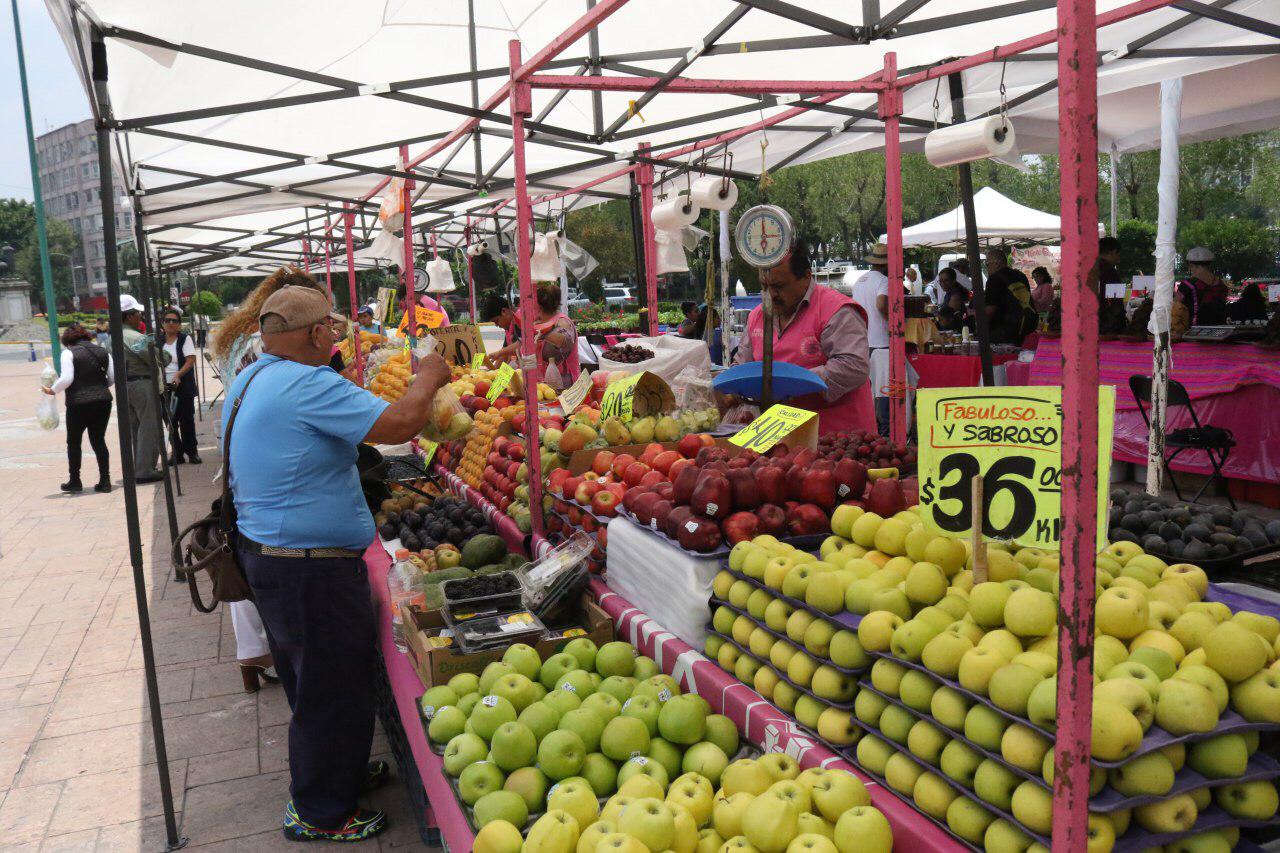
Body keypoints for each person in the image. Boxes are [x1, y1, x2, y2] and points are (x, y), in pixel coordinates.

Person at [224, 285, 451, 842]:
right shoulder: (306, 383)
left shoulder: (253, 375)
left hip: (272, 557)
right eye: (330, 327)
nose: (337, 335)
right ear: (313, 335)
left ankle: (335, 773)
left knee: (313, 682)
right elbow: (401, 424)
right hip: (307, 569)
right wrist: (428, 374)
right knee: (333, 687)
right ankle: (321, 812)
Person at [211, 266, 331, 694]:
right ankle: (275, 656)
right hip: (268, 458)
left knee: (245, 547)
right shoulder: (270, 355)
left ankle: (255, 657)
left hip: (241, 447)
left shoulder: (242, 340)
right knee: (257, 546)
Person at [731, 238, 875, 436]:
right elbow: (742, 365)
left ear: (806, 276)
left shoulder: (836, 310)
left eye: (779, 286)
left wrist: (795, 384)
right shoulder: (757, 316)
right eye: (765, 286)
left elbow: (854, 365)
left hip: (837, 438)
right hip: (780, 438)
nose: (771, 294)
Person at [44, 323, 114, 493]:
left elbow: (67, 378)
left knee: (74, 442)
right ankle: (105, 481)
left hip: (78, 403)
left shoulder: (68, 353)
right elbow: (112, 378)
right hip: (103, 401)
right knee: (98, 440)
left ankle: (75, 480)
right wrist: (99, 388)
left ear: (68, 340)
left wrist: (52, 390)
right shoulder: (104, 352)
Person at [488, 285, 579, 389]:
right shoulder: (538, 322)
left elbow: (564, 340)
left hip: (565, 389)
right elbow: (522, 345)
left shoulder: (563, 322)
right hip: (542, 387)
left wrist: (538, 330)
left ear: (538, 307)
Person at [119, 294, 167, 484]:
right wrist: (159, 358)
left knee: (136, 428)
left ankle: (139, 466)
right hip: (142, 383)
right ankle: (145, 469)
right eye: (138, 313)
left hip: (126, 385)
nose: (140, 317)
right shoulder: (135, 336)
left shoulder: (114, 336)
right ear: (129, 316)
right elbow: (151, 357)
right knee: (149, 427)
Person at [850, 243, 894, 436]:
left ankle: (871, 428)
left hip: (864, 340)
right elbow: (881, 303)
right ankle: (885, 431)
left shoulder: (860, 280)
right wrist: (893, 321)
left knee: (869, 391)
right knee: (883, 391)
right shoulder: (884, 280)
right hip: (882, 341)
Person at [159, 308, 201, 465]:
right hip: (164, 386)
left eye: (174, 321)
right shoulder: (159, 341)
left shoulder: (185, 339)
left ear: (179, 324)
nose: (170, 323)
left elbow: (190, 360)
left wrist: (178, 375)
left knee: (186, 421)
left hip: (182, 386)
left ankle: (192, 452)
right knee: (170, 422)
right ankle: (177, 453)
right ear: (162, 323)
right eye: (167, 320)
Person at [983, 248, 1034, 346]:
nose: (987, 268)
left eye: (987, 264)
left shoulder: (994, 279)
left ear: (997, 263)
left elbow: (991, 310)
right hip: (1023, 327)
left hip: (1001, 330)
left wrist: (980, 325)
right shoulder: (1020, 275)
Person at [1176, 246, 1230, 325]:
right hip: (1219, 330)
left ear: (1191, 264)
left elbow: (1176, 306)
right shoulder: (1221, 285)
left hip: (1194, 331)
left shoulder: (1187, 284)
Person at [935, 268, 970, 333]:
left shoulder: (955, 295)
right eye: (940, 281)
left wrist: (936, 313)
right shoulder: (949, 293)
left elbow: (947, 317)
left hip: (955, 333)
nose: (942, 284)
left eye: (946, 281)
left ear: (953, 281)